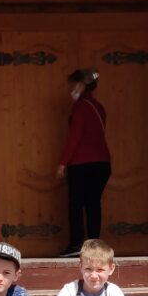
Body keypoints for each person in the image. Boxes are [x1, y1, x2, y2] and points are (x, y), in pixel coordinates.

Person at [56, 68, 111, 258]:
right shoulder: (98, 106)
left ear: (81, 85)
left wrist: (62, 163)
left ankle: (76, 245)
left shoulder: (81, 106)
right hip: (102, 163)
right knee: (93, 204)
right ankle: (95, 247)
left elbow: (74, 138)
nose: (70, 89)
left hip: (83, 164)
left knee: (76, 205)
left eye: (72, 85)